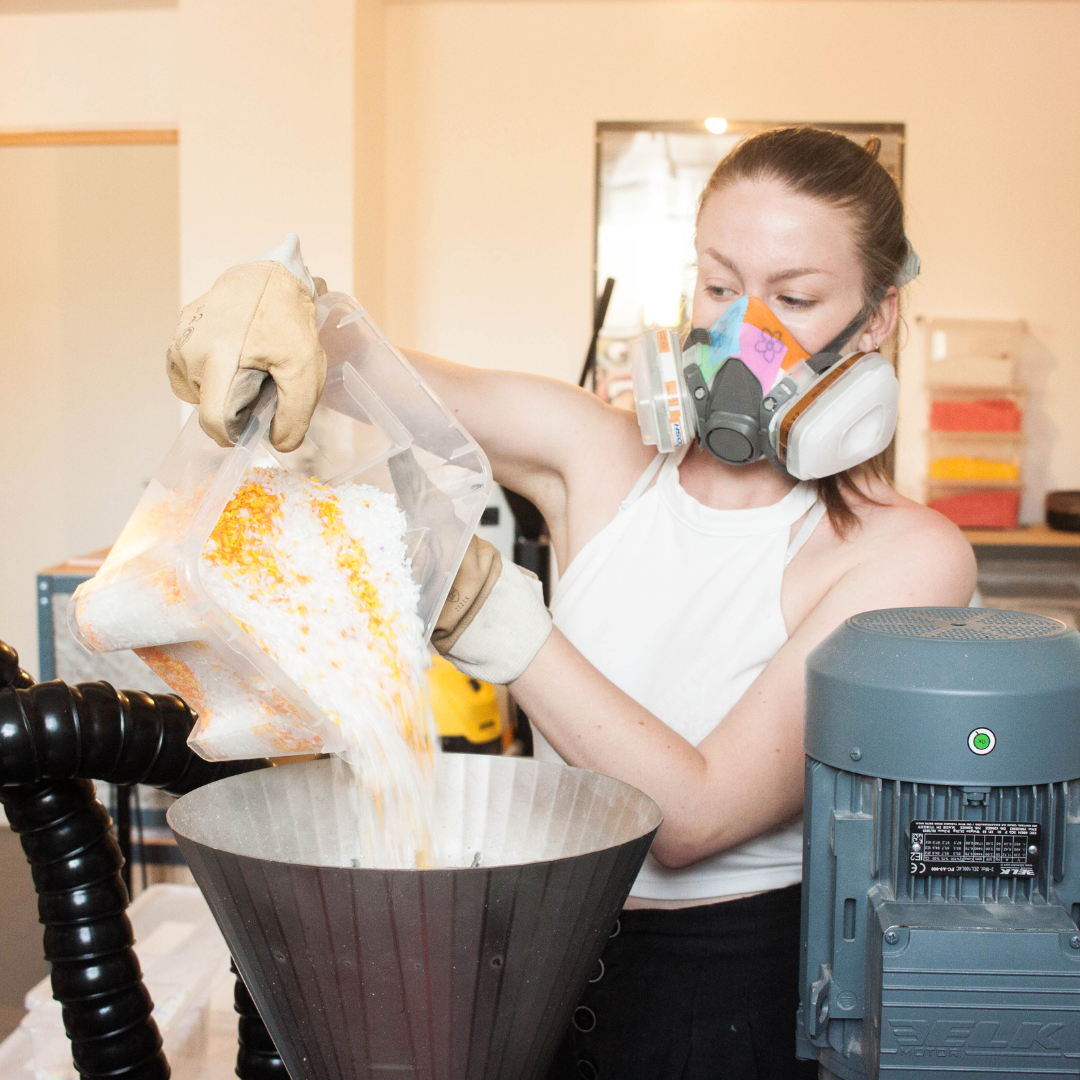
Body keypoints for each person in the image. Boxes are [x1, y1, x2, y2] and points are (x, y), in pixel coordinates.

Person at [167, 127, 977, 1079]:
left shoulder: (908, 556)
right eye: (720, 286)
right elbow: (374, 373)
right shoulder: (600, 453)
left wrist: (501, 627)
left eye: (794, 299)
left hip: (728, 1002)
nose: (743, 335)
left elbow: (692, 819)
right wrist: (289, 307)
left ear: (877, 318)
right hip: (540, 964)